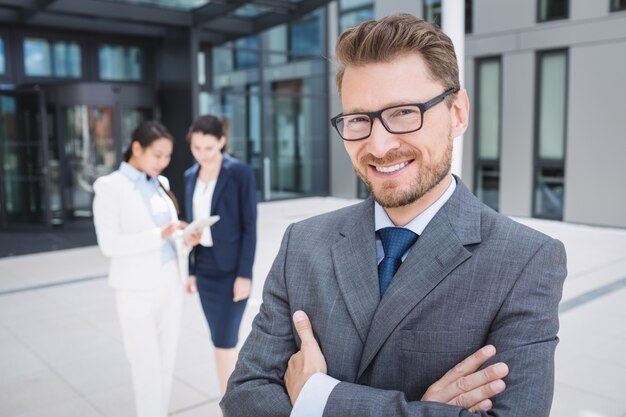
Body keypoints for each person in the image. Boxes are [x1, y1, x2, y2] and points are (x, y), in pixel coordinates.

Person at [221, 13, 567, 417]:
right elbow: (244, 396)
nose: (379, 144)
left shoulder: (525, 260)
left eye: (404, 112)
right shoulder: (303, 243)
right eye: (358, 119)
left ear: (458, 112)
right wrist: (425, 410)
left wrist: (318, 398)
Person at [93, 120, 201, 417]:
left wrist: (185, 239)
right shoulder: (109, 187)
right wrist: (160, 234)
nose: (163, 162)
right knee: (146, 366)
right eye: (157, 155)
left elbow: (169, 240)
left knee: (166, 364)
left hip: (170, 284)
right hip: (136, 290)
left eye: (167, 156)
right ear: (137, 148)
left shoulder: (161, 184)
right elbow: (110, 244)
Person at [183, 114, 257, 395]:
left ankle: (231, 403)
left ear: (222, 142)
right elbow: (192, 223)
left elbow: (249, 227)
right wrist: (191, 270)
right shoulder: (190, 176)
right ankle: (230, 399)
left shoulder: (239, 173)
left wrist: (244, 275)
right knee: (219, 341)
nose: (202, 155)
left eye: (209, 148)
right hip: (204, 268)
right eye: (196, 148)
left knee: (225, 342)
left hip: (231, 271)